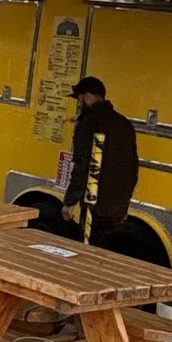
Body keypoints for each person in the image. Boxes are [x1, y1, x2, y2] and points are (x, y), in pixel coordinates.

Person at [42, 75, 141, 252]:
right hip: (118, 204)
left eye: (79, 99)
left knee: (90, 251)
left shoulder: (88, 124)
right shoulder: (124, 124)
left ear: (88, 97)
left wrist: (70, 201)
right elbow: (133, 166)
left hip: (95, 204)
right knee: (108, 252)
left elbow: (82, 166)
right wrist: (125, 200)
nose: (78, 105)